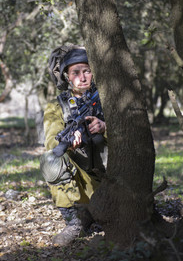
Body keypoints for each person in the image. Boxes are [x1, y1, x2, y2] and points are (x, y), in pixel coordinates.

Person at [41, 46, 108, 246]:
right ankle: (74, 221)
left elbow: (131, 134)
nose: (82, 77)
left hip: (111, 175)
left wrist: (105, 127)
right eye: (75, 72)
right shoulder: (56, 107)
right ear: (67, 77)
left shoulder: (110, 99)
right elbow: (51, 141)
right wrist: (68, 141)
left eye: (86, 70)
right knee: (50, 162)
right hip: (83, 178)